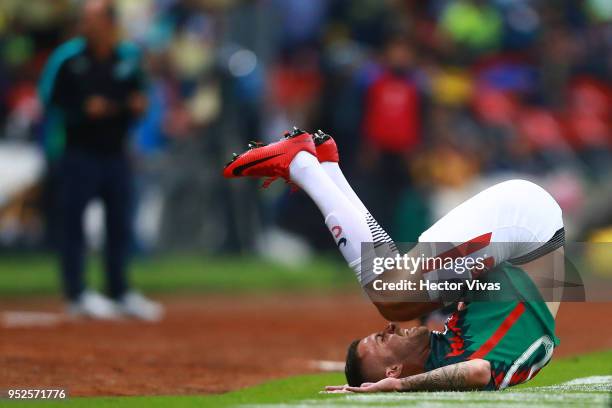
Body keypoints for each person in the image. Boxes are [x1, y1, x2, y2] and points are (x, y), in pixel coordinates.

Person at [223, 128, 564, 392]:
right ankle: (308, 165)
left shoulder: (446, 344)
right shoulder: (455, 358)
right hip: (527, 232)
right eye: (382, 341)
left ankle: (320, 167)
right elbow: (476, 371)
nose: (387, 331)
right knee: (393, 295)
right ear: (392, 371)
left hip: (526, 233)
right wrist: (400, 388)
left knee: (397, 290)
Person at [39, 0, 162, 321]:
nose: (86, 25)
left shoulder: (129, 57)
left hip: (117, 151)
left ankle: (119, 290)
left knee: (120, 225)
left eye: (92, 19)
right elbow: (49, 98)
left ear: (109, 23)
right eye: (84, 19)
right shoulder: (68, 58)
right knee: (73, 225)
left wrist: (137, 106)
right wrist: (82, 110)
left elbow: (142, 96)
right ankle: (76, 292)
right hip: (78, 152)